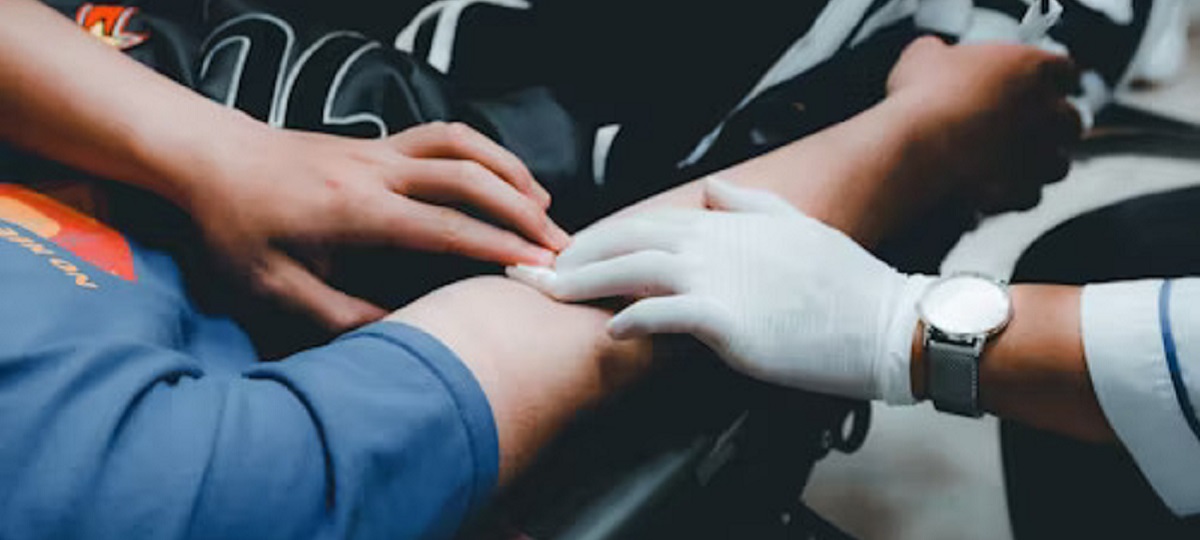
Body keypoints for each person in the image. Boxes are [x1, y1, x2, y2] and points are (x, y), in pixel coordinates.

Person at [0, 1, 1089, 539]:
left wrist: (206, 151)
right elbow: (575, 308)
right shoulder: (166, 490)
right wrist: (927, 142)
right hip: (487, 194)